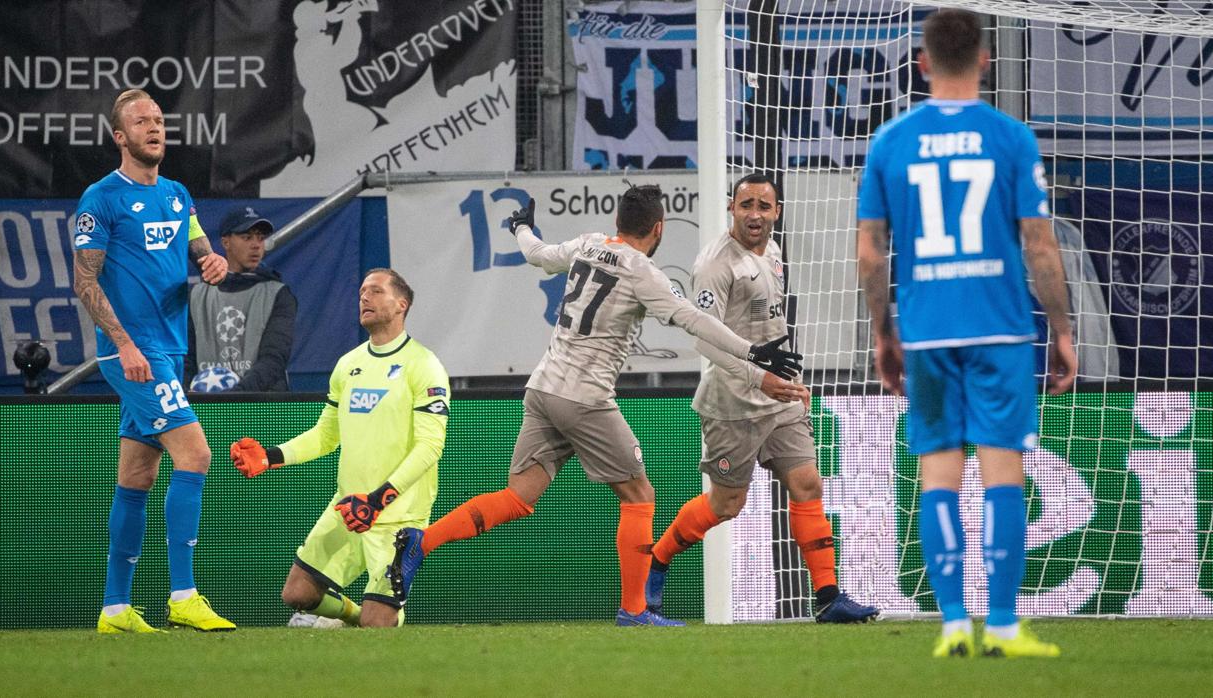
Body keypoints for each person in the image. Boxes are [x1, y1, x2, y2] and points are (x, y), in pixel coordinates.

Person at [387, 185, 802, 626]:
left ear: (617, 222)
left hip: (543, 388)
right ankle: (635, 610)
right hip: (585, 398)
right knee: (640, 496)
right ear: (658, 228)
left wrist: (521, 226)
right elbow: (693, 320)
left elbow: (538, 255)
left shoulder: (588, 244)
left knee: (518, 497)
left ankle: (421, 542)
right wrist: (753, 351)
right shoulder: (643, 272)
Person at [856, 9, 1076, 658]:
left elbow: (870, 254)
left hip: (924, 331)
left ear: (920, 64)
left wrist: (882, 333)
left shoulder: (890, 141)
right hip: (999, 328)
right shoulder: (1010, 138)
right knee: (1001, 470)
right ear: (984, 59)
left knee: (938, 474)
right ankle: (1003, 626)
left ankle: (952, 621)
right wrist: (1061, 329)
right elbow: (1039, 244)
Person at [645, 173, 880, 624]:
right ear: (731, 208)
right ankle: (658, 558)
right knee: (726, 505)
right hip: (734, 401)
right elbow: (705, 342)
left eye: (764, 206)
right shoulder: (716, 263)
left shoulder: (772, 251)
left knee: (808, 483)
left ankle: (829, 597)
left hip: (779, 395)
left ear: (777, 212)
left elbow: (768, 327)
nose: (755, 214)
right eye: (746, 204)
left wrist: (786, 379)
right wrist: (760, 378)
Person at [73, 88, 235, 633]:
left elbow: (200, 249)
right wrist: (123, 345)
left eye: (159, 119)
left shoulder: (176, 194)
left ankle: (115, 608)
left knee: (137, 473)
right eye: (141, 121)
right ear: (120, 137)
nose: (154, 127)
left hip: (169, 348)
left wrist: (213, 262)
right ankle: (183, 595)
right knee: (196, 455)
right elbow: (85, 280)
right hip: (134, 353)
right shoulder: (101, 198)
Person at [229, 269, 450, 628]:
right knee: (297, 595)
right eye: (362, 291)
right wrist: (272, 456)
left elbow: (430, 447)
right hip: (348, 508)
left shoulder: (424, 365)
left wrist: (378, 500)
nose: (365, 297)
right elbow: (325, 436)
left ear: (401, 304)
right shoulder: (348, 365)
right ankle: (351, 616)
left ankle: (374, 617)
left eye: (376, 291)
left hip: (398, 517)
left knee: (379, 626)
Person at [185, 206, 297, 392]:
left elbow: (274, 358)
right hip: (206, 405)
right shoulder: (196, 295)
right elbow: (186, 357)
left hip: (262, 407)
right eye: (247, 237)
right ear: (225, 242)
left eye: (260, 238)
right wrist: (187, 393)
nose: (256, 245)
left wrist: (236, 396)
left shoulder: (279, 294)